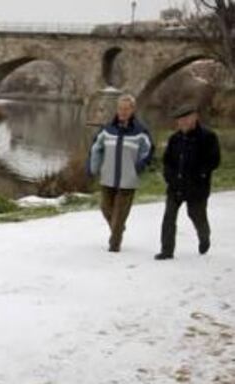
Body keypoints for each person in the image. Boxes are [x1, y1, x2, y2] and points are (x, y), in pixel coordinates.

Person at [88, 94, 154, 252]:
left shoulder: (140, 132)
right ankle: (118, 229)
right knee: (105, 208)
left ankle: (114, 244)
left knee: (120, 215)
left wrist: (138, 166)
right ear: (117, 110)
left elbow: (148, 151)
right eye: (120, 108)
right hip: (107, 177)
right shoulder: (107, 130)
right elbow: (96, 149)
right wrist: (93, 168)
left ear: (132, 110)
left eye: (126, 109)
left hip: (128, 179)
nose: (123, 112)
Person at [154, 104, 221, 260]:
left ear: (195, 117)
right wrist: (169, 177)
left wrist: (201, 174)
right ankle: (167, 250)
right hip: (175, 186)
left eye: (186, 119)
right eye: (179, 120)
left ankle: (204, 236)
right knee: (169, 217)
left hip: (197, 187)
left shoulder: (208, 137)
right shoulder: (174, 139)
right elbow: (167, 161)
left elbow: (214, 160)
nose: (182, 122)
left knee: (196, 215)